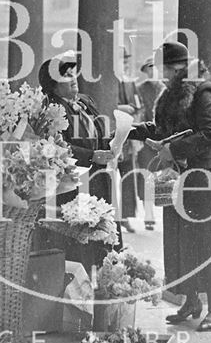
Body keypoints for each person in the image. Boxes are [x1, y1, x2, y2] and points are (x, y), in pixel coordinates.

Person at [128, 41, 211, 331]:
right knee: (179, 240)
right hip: (180, 177)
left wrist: (173, 150)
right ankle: (190, 301)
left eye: (160, 67)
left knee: (206, 240)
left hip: (205, 178)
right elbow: (163, 129)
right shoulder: (168, 95)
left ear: (175, 68)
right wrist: (132, 132)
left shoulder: (203, 90)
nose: (156, 73)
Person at [38, 52, 118, 270]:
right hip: (74, 185)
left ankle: (103, 287)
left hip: (98, 182)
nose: (73, 78)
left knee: (103, 241)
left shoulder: (85, 101)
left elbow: (97, 135)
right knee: (81, 245)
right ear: (53, 85)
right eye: (65, 76)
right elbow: (55, 146)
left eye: (73, 73)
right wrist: (91, 155)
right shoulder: (49, 110)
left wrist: (113, 143)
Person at [136, 56, 165, 231]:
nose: (153, 71)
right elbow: (139, 112)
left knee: (164, 175)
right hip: (147, 139)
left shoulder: (166, 89)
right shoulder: (140, 89)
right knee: (147, 175)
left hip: (164, 139)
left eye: (155, 67)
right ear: (145, 71)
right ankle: (149, 214)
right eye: (149, 68)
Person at [117, 49, 143, 233]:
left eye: (127, 59)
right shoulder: (108, 80)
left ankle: (124, 216)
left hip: (128, 135)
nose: (126, 62)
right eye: (122, 59)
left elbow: (138, 103)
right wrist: (120, 108)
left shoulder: (130, 81)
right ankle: (111, 217)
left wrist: (135, 109)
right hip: (113, 134)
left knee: (128, 177)